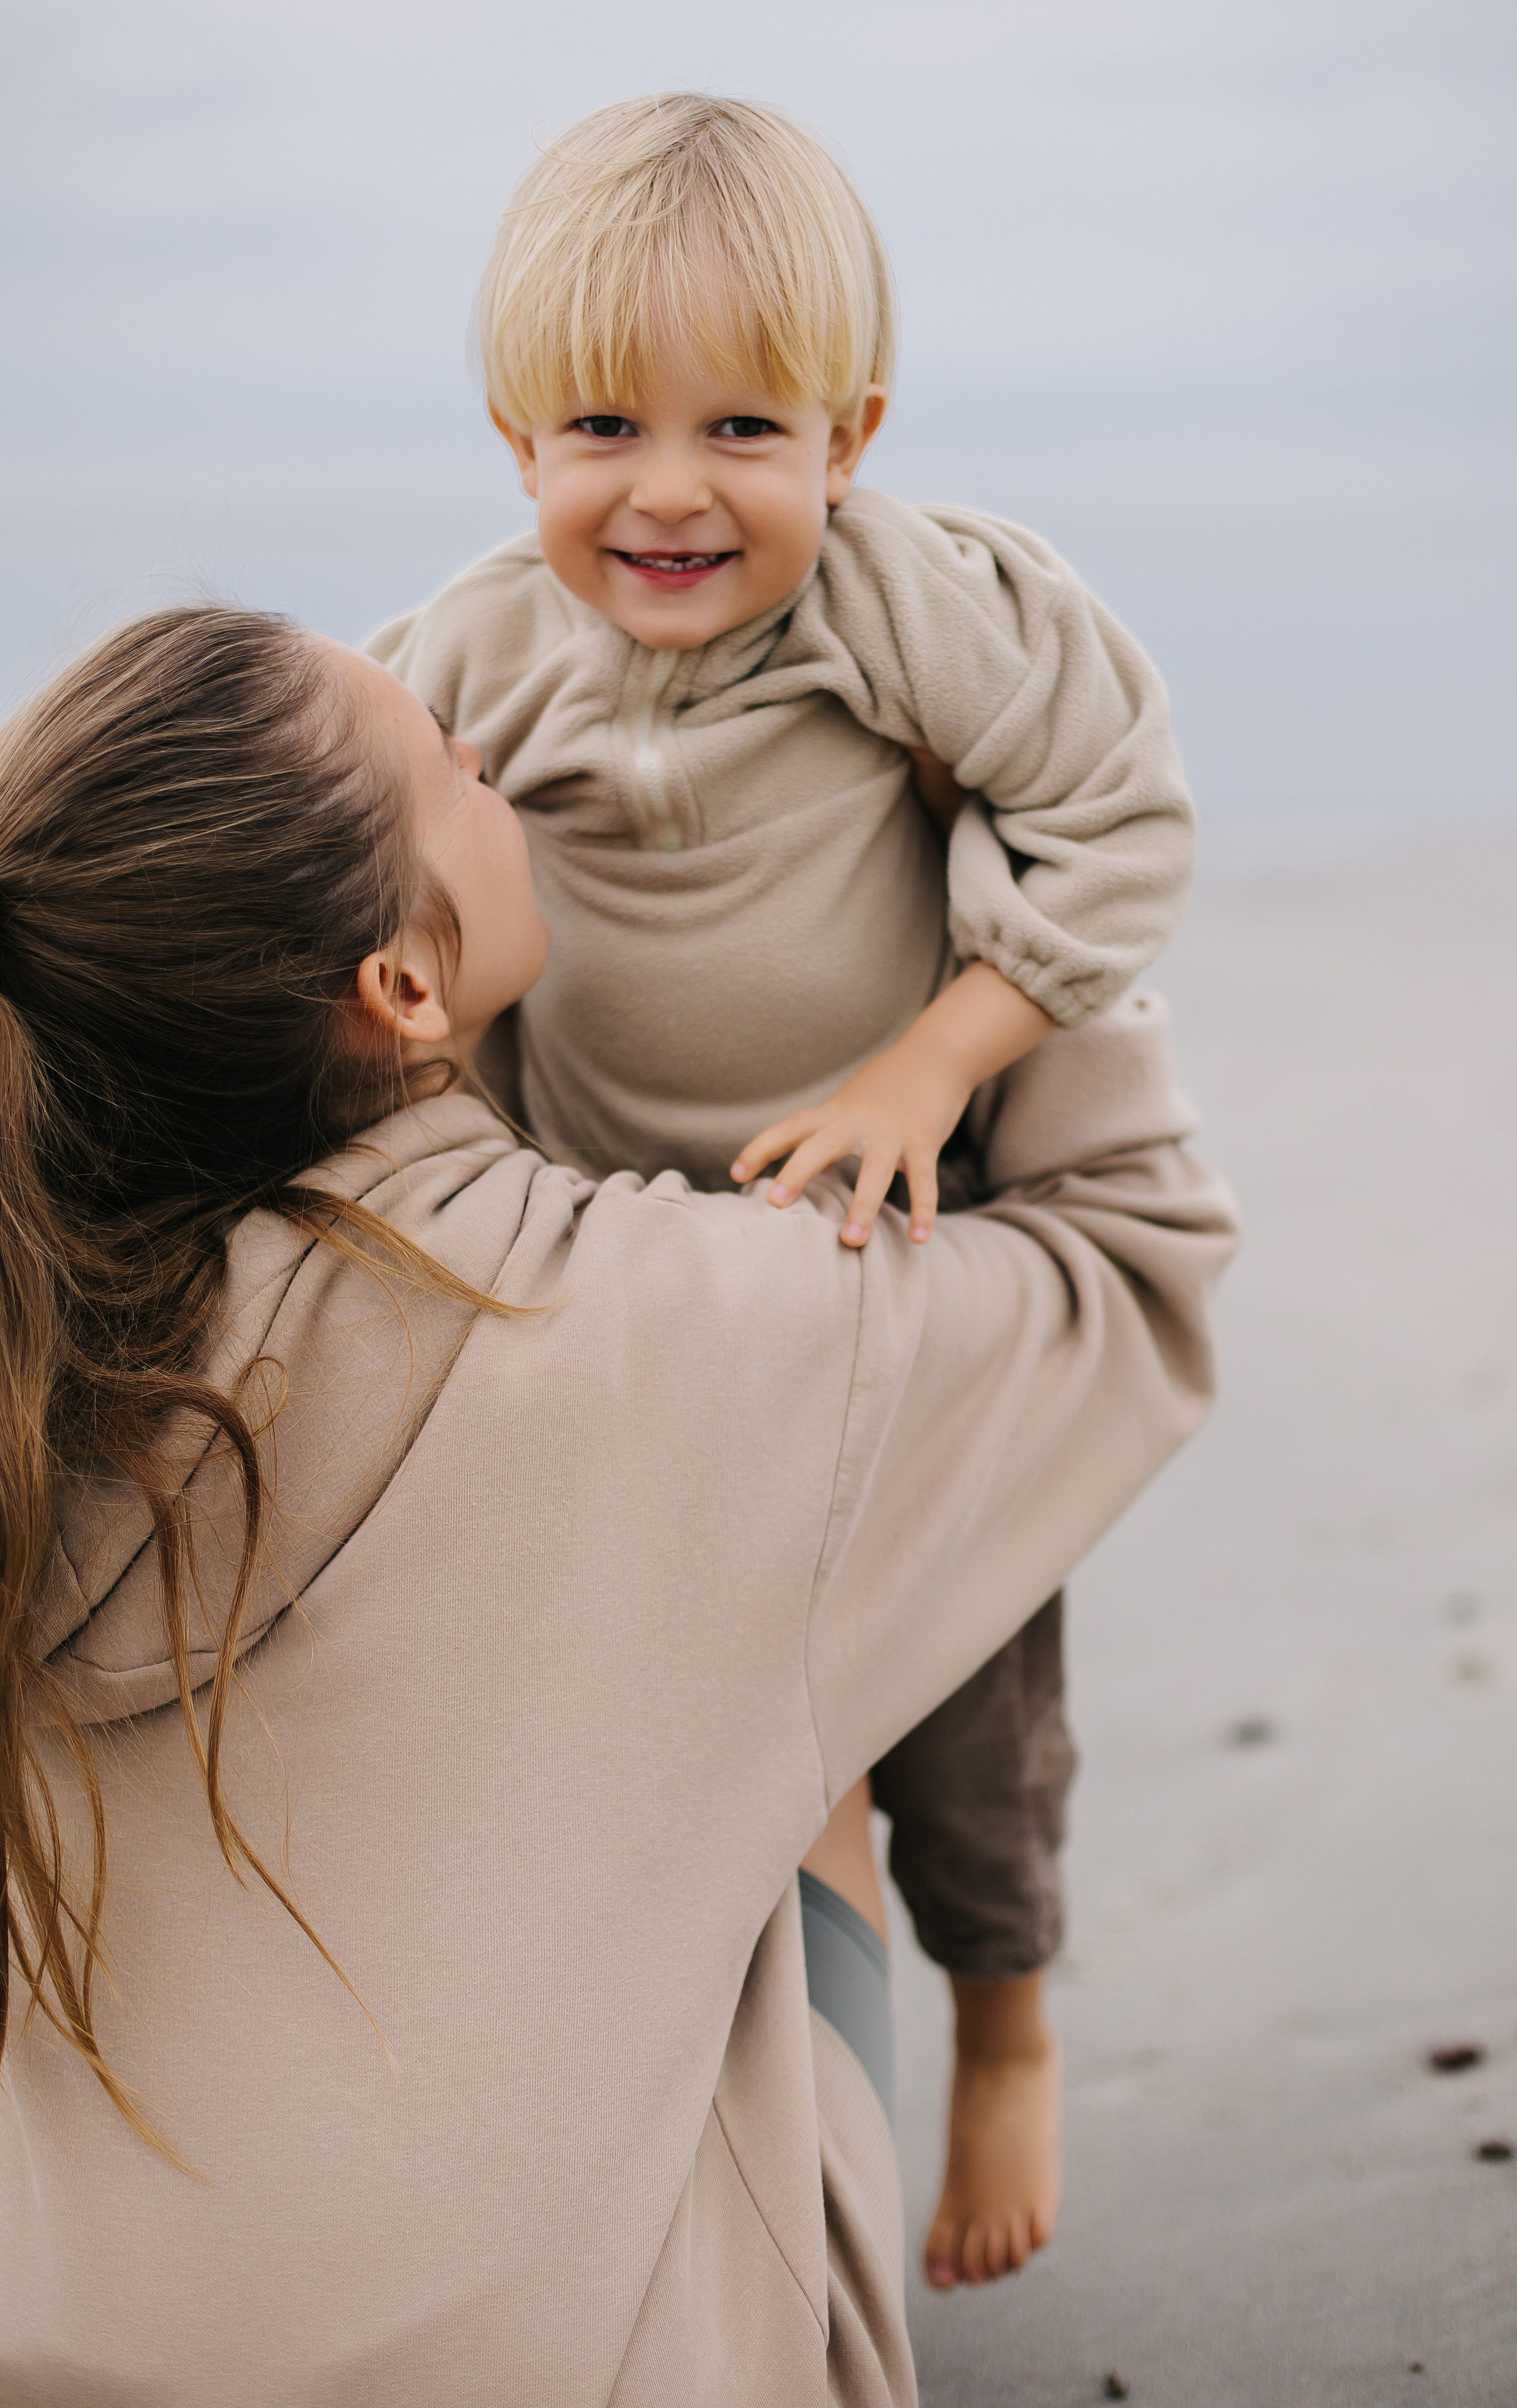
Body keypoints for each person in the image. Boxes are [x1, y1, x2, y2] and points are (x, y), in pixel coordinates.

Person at [0, 605, 1235, 2404]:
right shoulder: (675, 1329)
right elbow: (1135, 1271)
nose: (504, 771)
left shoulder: (35, 1373)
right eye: (462, 770)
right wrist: (1006, 903)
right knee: (787, 1662)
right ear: (400, 989)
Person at [369, 90, 1200, 2285]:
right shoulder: (458, 663)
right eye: (600, 426)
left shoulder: (920, 607)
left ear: (853, 431)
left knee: (975, 1709)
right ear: (508, 436)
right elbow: (362, 927)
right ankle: (701, 2072)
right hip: (631, 1276)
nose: (668, 487)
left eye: (746, 425)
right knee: (655, 1706)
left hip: (901, 1256)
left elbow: (1122, 824)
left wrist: (938, 1060)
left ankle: (1003, 2014)